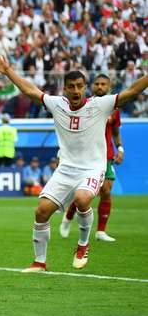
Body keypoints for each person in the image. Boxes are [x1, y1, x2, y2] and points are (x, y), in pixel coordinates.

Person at [0, 53, 147, 272]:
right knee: (41, 211)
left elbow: (132, 91)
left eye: (79, 86)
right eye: (71, 86)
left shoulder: (100, 105)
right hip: (66, 168)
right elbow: (29, 90)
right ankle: (39, 262)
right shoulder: (57, 104)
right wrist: (7, 71)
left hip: (93, 167)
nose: (75, 90)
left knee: (82, 199)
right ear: (65, 89)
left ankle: (83, 245)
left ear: (85, 87)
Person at [60, 74, 124, 242]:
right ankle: (68, 217)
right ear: (91, 86)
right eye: (97, 84)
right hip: (86, 157)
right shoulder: (84, 105)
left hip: (106, 156)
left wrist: (120, 148)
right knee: (85, 195)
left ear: (109, 87)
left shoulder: (114, 110)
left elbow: (116, 132)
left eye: (104, 84)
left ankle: (101, 231)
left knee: (106, 191)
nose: (100, 87)